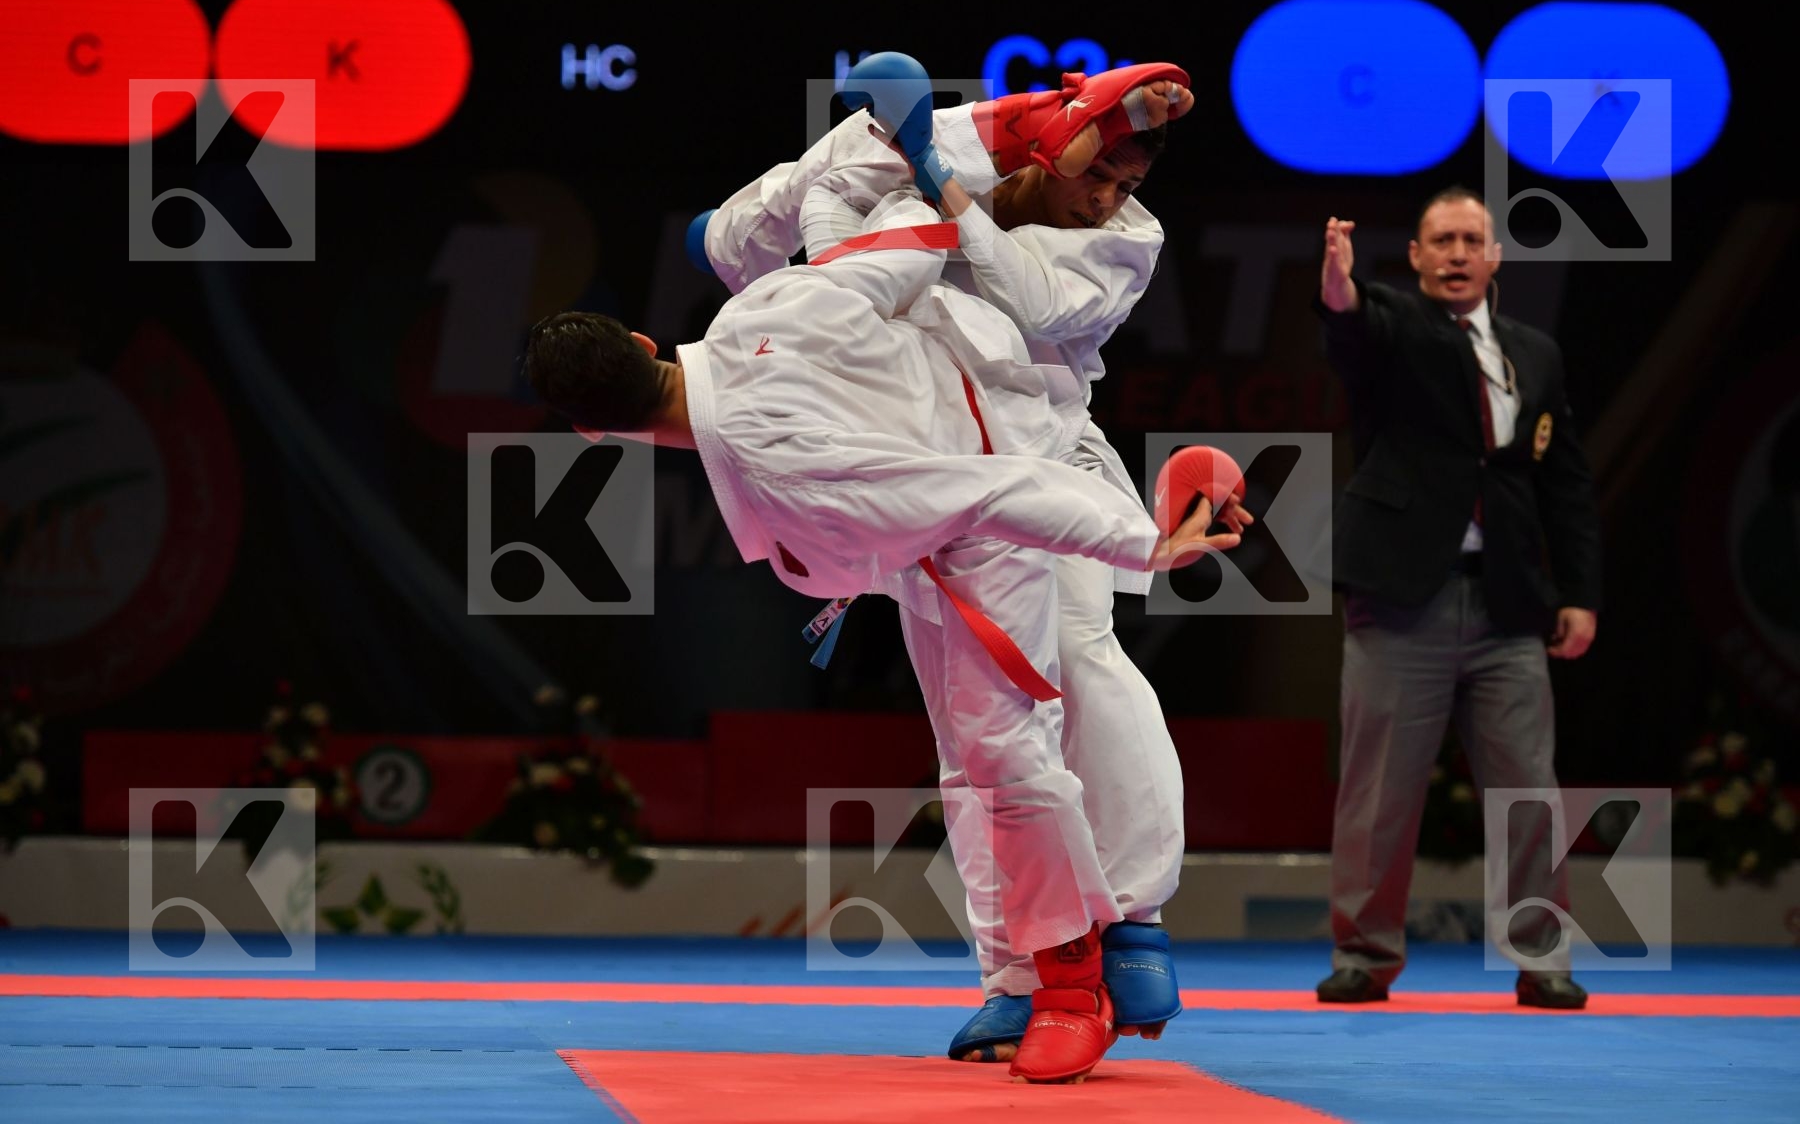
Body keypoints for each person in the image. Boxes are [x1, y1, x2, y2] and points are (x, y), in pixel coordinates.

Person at [526, 186, 1246, 1082]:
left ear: (591, 432)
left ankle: (1090, 966)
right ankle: (1017, 978)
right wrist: (902, 173)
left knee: (1013, 743)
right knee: (968, 758)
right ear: (643, 344)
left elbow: (987, 495)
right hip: (959, 500)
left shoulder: (775, 462)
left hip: (1008, 476)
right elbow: (908, 237)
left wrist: (1141, 541)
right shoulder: (763, 307)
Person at [689, 56, 1197, 1062]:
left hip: (1045, 463)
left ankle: (1135, 918)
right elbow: (800, 216)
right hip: (934, 477)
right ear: (1051, 145)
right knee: (975, 747)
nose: (1107, 196)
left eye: (1126, 182)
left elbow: (1039, 304)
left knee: (1084, 665)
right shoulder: (922, 162)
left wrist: (943, 182)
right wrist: (949, 147)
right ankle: (1014, 974)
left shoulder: (1128, 239)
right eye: (1097, 168)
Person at [1314, 188, 1602, 1009]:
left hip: (1509, 603)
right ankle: (1365, 955)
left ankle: (1543, 958)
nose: (1457, 254)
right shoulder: (1397, 327)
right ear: (1415, 256)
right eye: (1441, 240)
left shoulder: (1534, 353)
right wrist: (1337, 285)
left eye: (1472, 240)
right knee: (1379, 792)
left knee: (1528, 791)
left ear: (1494, 256)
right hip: (1403, 599)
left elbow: (1565, 482)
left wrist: (1579, 593)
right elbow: (1350, 327)